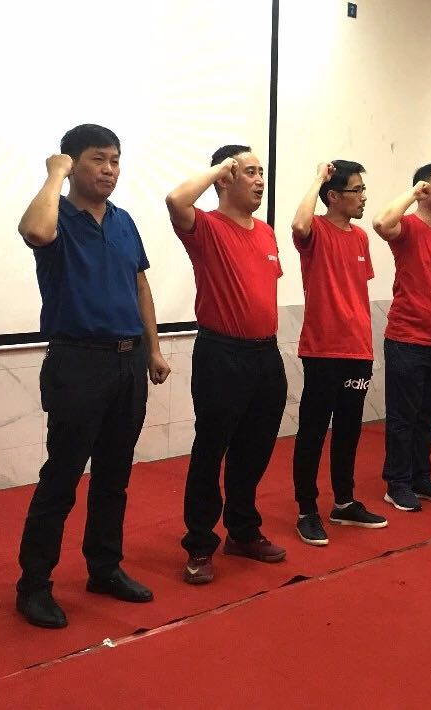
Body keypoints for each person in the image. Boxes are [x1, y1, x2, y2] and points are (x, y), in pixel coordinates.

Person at [14, 125, 170, 628]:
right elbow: (36, 233)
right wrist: (54, 174)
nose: (109, 169)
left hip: (128, 361)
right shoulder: (55, 215)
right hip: (78, 361)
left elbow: (139, 285)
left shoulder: (124, 221)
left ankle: (104, 568)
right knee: (62, 478)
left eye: (115, 160)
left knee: (114, 476)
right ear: (72, 163)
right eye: (98, 159)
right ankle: (34, 584)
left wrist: (153, 349)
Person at [167, 145, 288, 584]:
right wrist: (219, 166)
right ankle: (200, 544)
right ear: (225, 179)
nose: (260, 180)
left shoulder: (267, 232)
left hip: (266, 355)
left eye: (261, 172)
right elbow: (176, 200)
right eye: (249, 172)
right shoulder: (207, 227)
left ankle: (242, 530)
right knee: (210, 449)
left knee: (254, 449)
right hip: (221, 355)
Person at [290, 160, 388, 546]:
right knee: (313, 431)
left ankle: (344, 502)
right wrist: (317, 176)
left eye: (364, 189)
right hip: (322, 349)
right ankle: (306, 510)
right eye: (356, 190)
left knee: (349, 429)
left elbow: (355, 290)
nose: (363, 197)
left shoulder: (360, 237)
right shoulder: (314, 230)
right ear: (333, 196)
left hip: (357, 348)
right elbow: (299, 225)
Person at [372, 163, 431, 511]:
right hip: (407, 339)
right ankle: (397, 483)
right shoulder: (408, 227)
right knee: (403, 418)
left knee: (429, 417)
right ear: (425, 190)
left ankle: (420, 476)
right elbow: (381, 223)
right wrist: (412, 194)